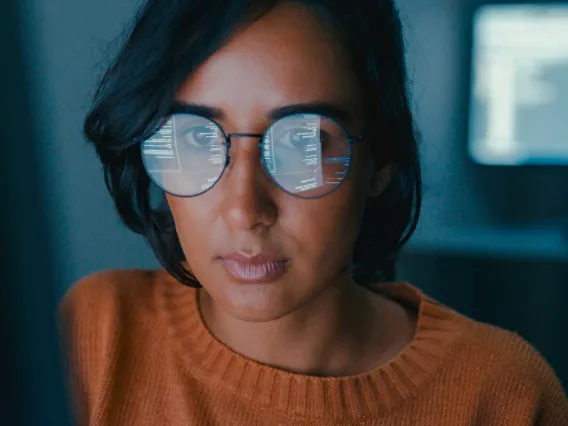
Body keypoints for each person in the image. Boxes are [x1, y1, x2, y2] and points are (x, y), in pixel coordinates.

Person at [59, 0, 568, 425]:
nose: (244, 211)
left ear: (381, 162)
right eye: (194, 137)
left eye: (303, 142)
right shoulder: (93, 337)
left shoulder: (502, 396)